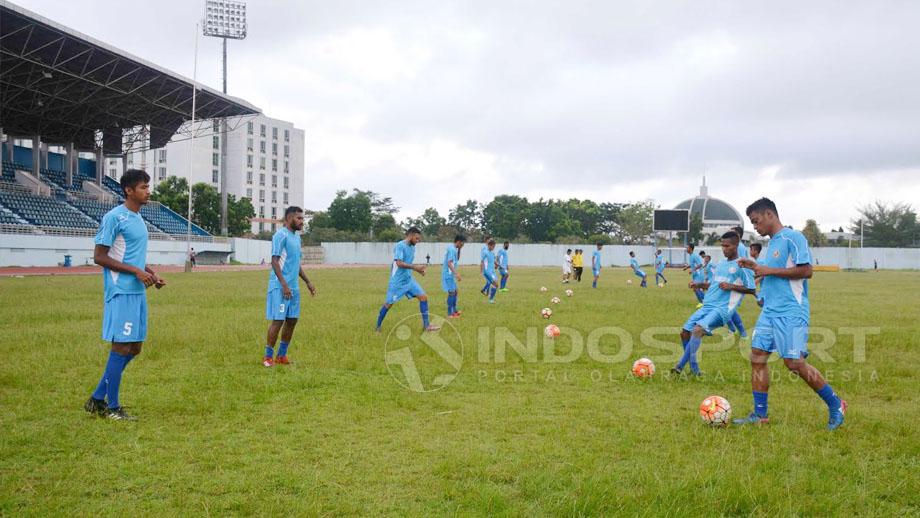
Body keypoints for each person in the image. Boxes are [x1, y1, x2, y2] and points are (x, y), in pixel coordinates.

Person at [734, 197, 846, 430]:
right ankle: (760, 415)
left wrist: (766, 269)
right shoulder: (772, 244)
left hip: (791, 311)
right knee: (757, 356)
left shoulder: (793, 237)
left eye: (756, 221)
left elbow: (806, 270)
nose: (755, 226)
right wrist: (759, 274)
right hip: (770, 311)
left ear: (769, 215)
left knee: (794, 363)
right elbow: (773, 274)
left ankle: (836, 404)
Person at [84, 169, 165, 421]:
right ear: (128, 190)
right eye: (143, 187)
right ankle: (112, 407)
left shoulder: (138, 218)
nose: (147, 191)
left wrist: (150, 273)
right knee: (121, 346)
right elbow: (99, 257)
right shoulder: (114, 218)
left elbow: (133, 257)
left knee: (135, 348)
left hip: (137, 291)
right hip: (121, 291)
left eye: (148, 186)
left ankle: (98, 397)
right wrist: (135, 272)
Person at [671, 232, 755, 376]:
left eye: (727, 246)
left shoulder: (742, 265)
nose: (724, 249)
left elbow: (752, 289)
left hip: (722, 308)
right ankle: (695, 370)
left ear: (736, 246)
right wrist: (699, 284)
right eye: (722, 245)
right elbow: (713, 284)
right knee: (685, 333)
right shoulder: (721, 264)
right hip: (708, 306)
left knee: (697, 330)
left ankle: (679, 367)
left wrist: (731, 286)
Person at [262, 206, 317, 367]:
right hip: (280, 287)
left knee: (292, 320)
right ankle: (267, 357)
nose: (302, 222)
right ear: (289, 218)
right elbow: (274, 261)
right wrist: (284, 285)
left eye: (302, 219)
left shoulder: (297, 238)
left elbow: (296, 264)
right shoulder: (280, 235)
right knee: (278, 321)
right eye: (299, 218)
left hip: (293, 288)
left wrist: (307, 282)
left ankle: (282, 355)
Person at [376, 227, 440, 332]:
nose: (418, 241)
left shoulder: (412, 247)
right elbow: (399, 263)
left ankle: (427, 326)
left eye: (419, 239)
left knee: (423, 297)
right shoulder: (400, 246)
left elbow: (408, 263)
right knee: (388, 304)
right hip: (397, 282)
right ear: (410, 235)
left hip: (409, 280)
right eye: (416, 238)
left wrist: (419, 271)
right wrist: (415, 267)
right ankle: (378, 327)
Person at [443, 235, 465, 318]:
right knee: (451, 293)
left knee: (455, 291)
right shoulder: (452, 249)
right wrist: (456, 274)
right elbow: (449, 263)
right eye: (462, 244)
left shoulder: (454, 249)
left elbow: (457, 259)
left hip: (451, 274)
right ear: (459, 242)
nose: (463, 245)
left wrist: (459, 249)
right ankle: (450, 313)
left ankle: (454, 310)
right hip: (449, 274)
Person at [481, 239, 500, 303]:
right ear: (489, 245)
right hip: (487, 271)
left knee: (496, 284)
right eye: (492, 246)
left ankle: (487, 294)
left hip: (492, 271)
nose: (493, 248)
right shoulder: (485, 252)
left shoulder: (492, 253)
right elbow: (482, 261)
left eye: (494, 246)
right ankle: (490, 299)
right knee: (495, 283)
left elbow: (493, 260)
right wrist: (482, 271)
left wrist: (496, 264)